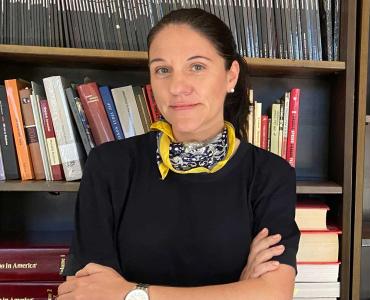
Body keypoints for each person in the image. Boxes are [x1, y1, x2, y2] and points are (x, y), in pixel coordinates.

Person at [57, 8, 299, 300]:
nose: (177, 87)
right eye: (162, 70)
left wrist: (132, 294)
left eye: (196, 67)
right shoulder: (109, 165)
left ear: (230, 75)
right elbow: (87, 294)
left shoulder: (270, 174)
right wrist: (239, 290)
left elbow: (274, 294)